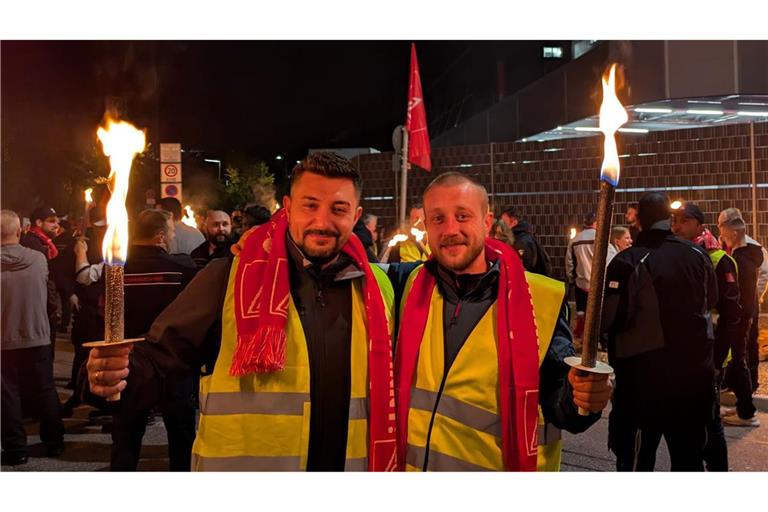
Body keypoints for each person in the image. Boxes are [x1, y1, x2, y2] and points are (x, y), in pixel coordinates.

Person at [87, 152, 397, 471]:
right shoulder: (227, 277)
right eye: (310, 205)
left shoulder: (378, 288)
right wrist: (117, 373)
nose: (322, 221)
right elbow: (160, 359)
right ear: (288, 208)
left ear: (356, 215)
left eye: (338, 209)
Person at [393, 173, 610, 471]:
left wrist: (584, 399)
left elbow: (562, 407)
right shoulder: (405, 284)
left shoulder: (540, 299)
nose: (450, 229)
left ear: (487, 222)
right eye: (438, 219)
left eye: (462, 216)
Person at [602, 192, 718, 471]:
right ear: (669, 219)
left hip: (642, 383)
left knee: (637, 463)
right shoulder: (698, 255)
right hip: (694, 380)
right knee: (689, 460)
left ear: (639, 221)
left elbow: (608, 319)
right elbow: (711, 301)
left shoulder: (628, 261)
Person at [671, 201, 741, 470]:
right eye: (674, 221)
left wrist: (717, 359)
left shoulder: (719, 259)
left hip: (711, 355)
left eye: (684, 221)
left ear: (700, 226)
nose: (677, 226)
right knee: (686, 423)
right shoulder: (680, 255)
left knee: (710, 423)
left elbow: (731, 315)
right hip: (686, 355)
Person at [1, 210, 65, 466]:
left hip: (3, 339)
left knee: (7, 395)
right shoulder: (38, 259)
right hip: (37, 334)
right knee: (45, 389)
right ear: (19, 232)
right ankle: (55, 442)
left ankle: (16, 450)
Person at [718, 207, 768, 393]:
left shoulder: (750, 248)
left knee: (746, 349)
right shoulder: (731, 246)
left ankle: (748, 389)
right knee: (740, 349)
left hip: (746, 307)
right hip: (744, 307)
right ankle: (736, 385)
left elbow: (764, 274)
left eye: (721, 225)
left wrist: (757, 297)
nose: (719, 230)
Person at [565, 213, 597, 340]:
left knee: (581, 310)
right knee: (596, 310)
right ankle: (595, 336)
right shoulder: (601, 238)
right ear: (596, 223)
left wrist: (571, 278)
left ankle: (580, 334)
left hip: (581, 282)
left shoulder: (575, 240)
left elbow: (569, 262)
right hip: (597, 283)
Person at [500, 206, 552, 276]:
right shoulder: (519, 238)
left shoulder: (522, 241)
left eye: (504, 223)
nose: (502, 226)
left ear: (514, 222)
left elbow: (525, 268)